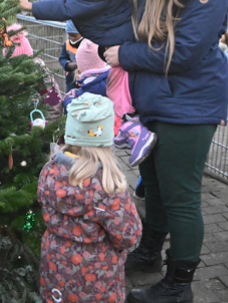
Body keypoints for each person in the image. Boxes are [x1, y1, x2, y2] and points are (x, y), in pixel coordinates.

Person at [101, 0, 228, 301]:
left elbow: (186, 51)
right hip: (157, 102)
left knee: (181, 197)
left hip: (188, 107)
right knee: (154, 188)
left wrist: (124, 55)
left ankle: (179, 285)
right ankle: (148, 255)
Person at [12, 0, 155, 167]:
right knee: (117, 88)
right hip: (113, 40)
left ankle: (134, 130)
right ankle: (128, 125)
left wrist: (31, 7)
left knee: (117, 90)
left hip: (120, 42)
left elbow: (69, 7)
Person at [38, 93, 141, 303]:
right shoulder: (108, 186)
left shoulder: (49, 170)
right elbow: (128, 234)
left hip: (55, 266)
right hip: (97, 276)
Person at [4, 23, 63, 120]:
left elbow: (54, 109)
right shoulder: (5, 74)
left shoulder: (40, 78)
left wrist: (38, 130)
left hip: (36, 127)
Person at [58, 20, 83, 93]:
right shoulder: (67, 44)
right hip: (71, 80)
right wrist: (68, 65)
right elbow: (62, 58)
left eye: (74, 36)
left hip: (85, 79)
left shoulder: (87, 44)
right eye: (70, 35)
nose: (72, 38)